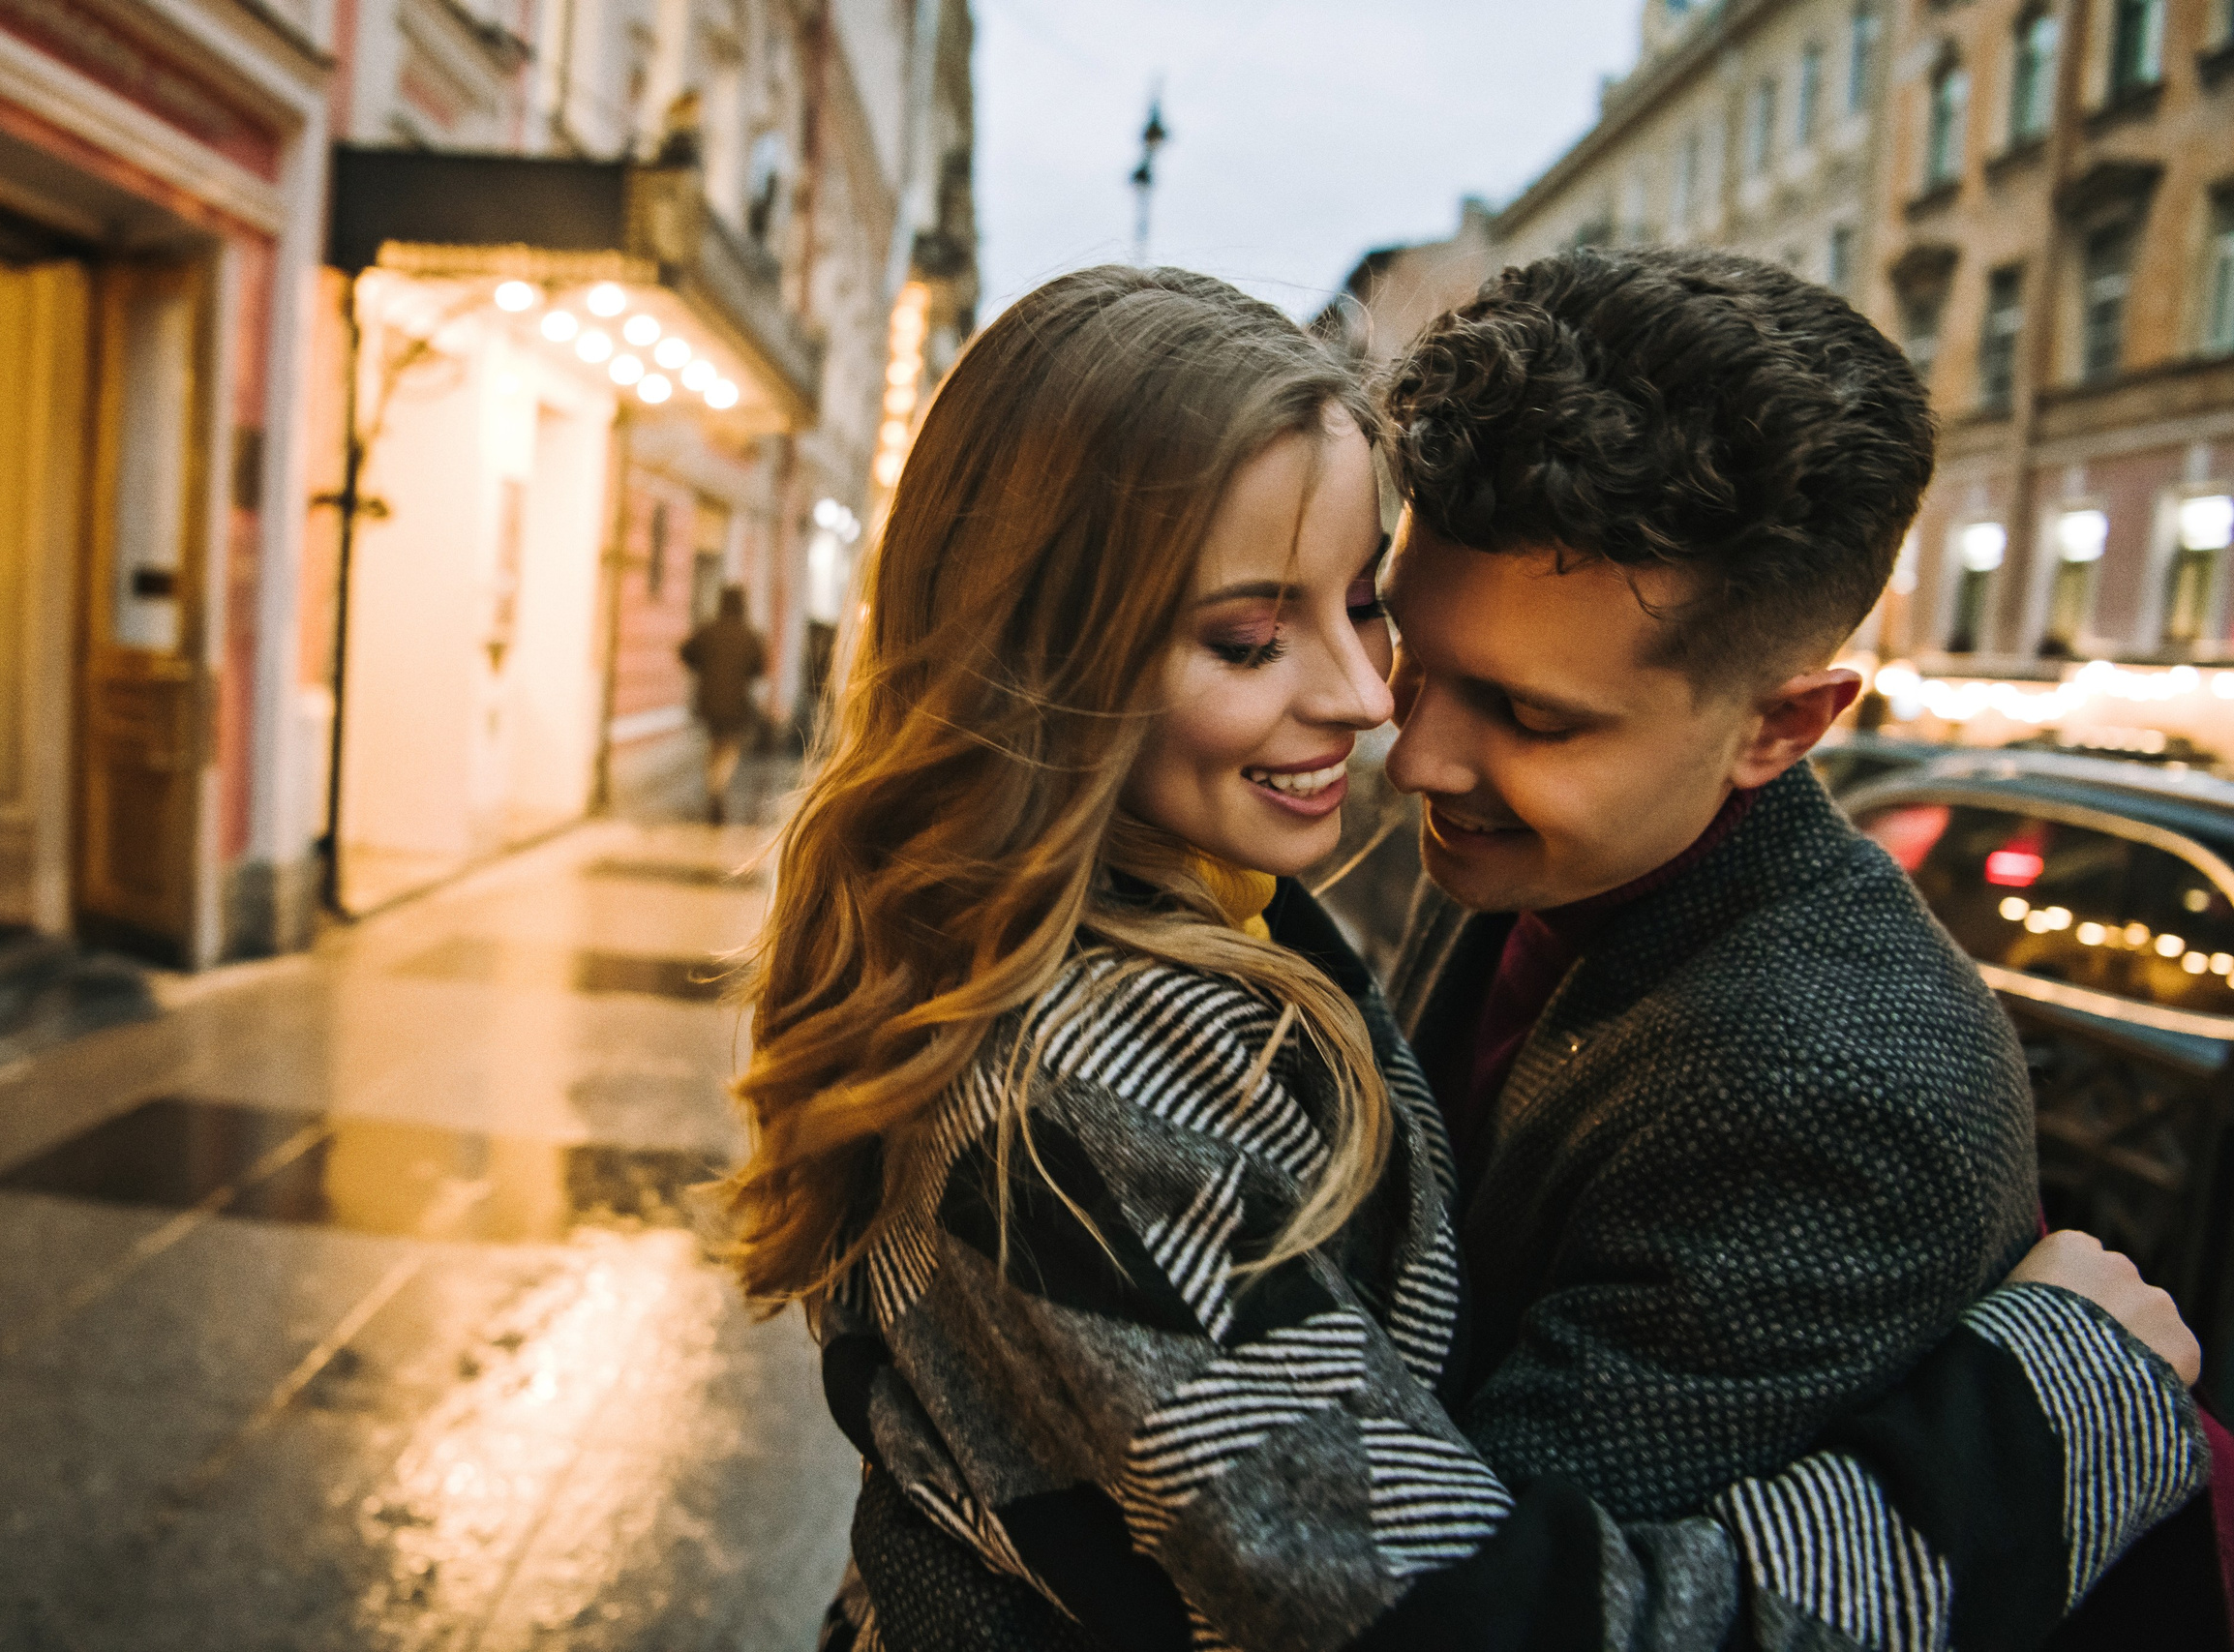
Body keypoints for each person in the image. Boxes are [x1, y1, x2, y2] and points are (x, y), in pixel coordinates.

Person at [726, 264, 2209, 1651]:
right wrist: (2040, 1424)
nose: (1401, 735)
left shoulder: (1837, 1083)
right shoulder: (1219, 966)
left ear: (1781, 723)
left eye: (1529, 713)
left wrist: (2046, 1419)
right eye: (1405, 637)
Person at [679, 585, 767, 825]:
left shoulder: (708, 630)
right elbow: (759, 669)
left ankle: (713, 788)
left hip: (708, 701)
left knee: (714, 744)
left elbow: (685, 653)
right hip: (736, 703)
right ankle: (719, 789)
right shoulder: (749, 635)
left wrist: (703, 669)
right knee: (729, 746)